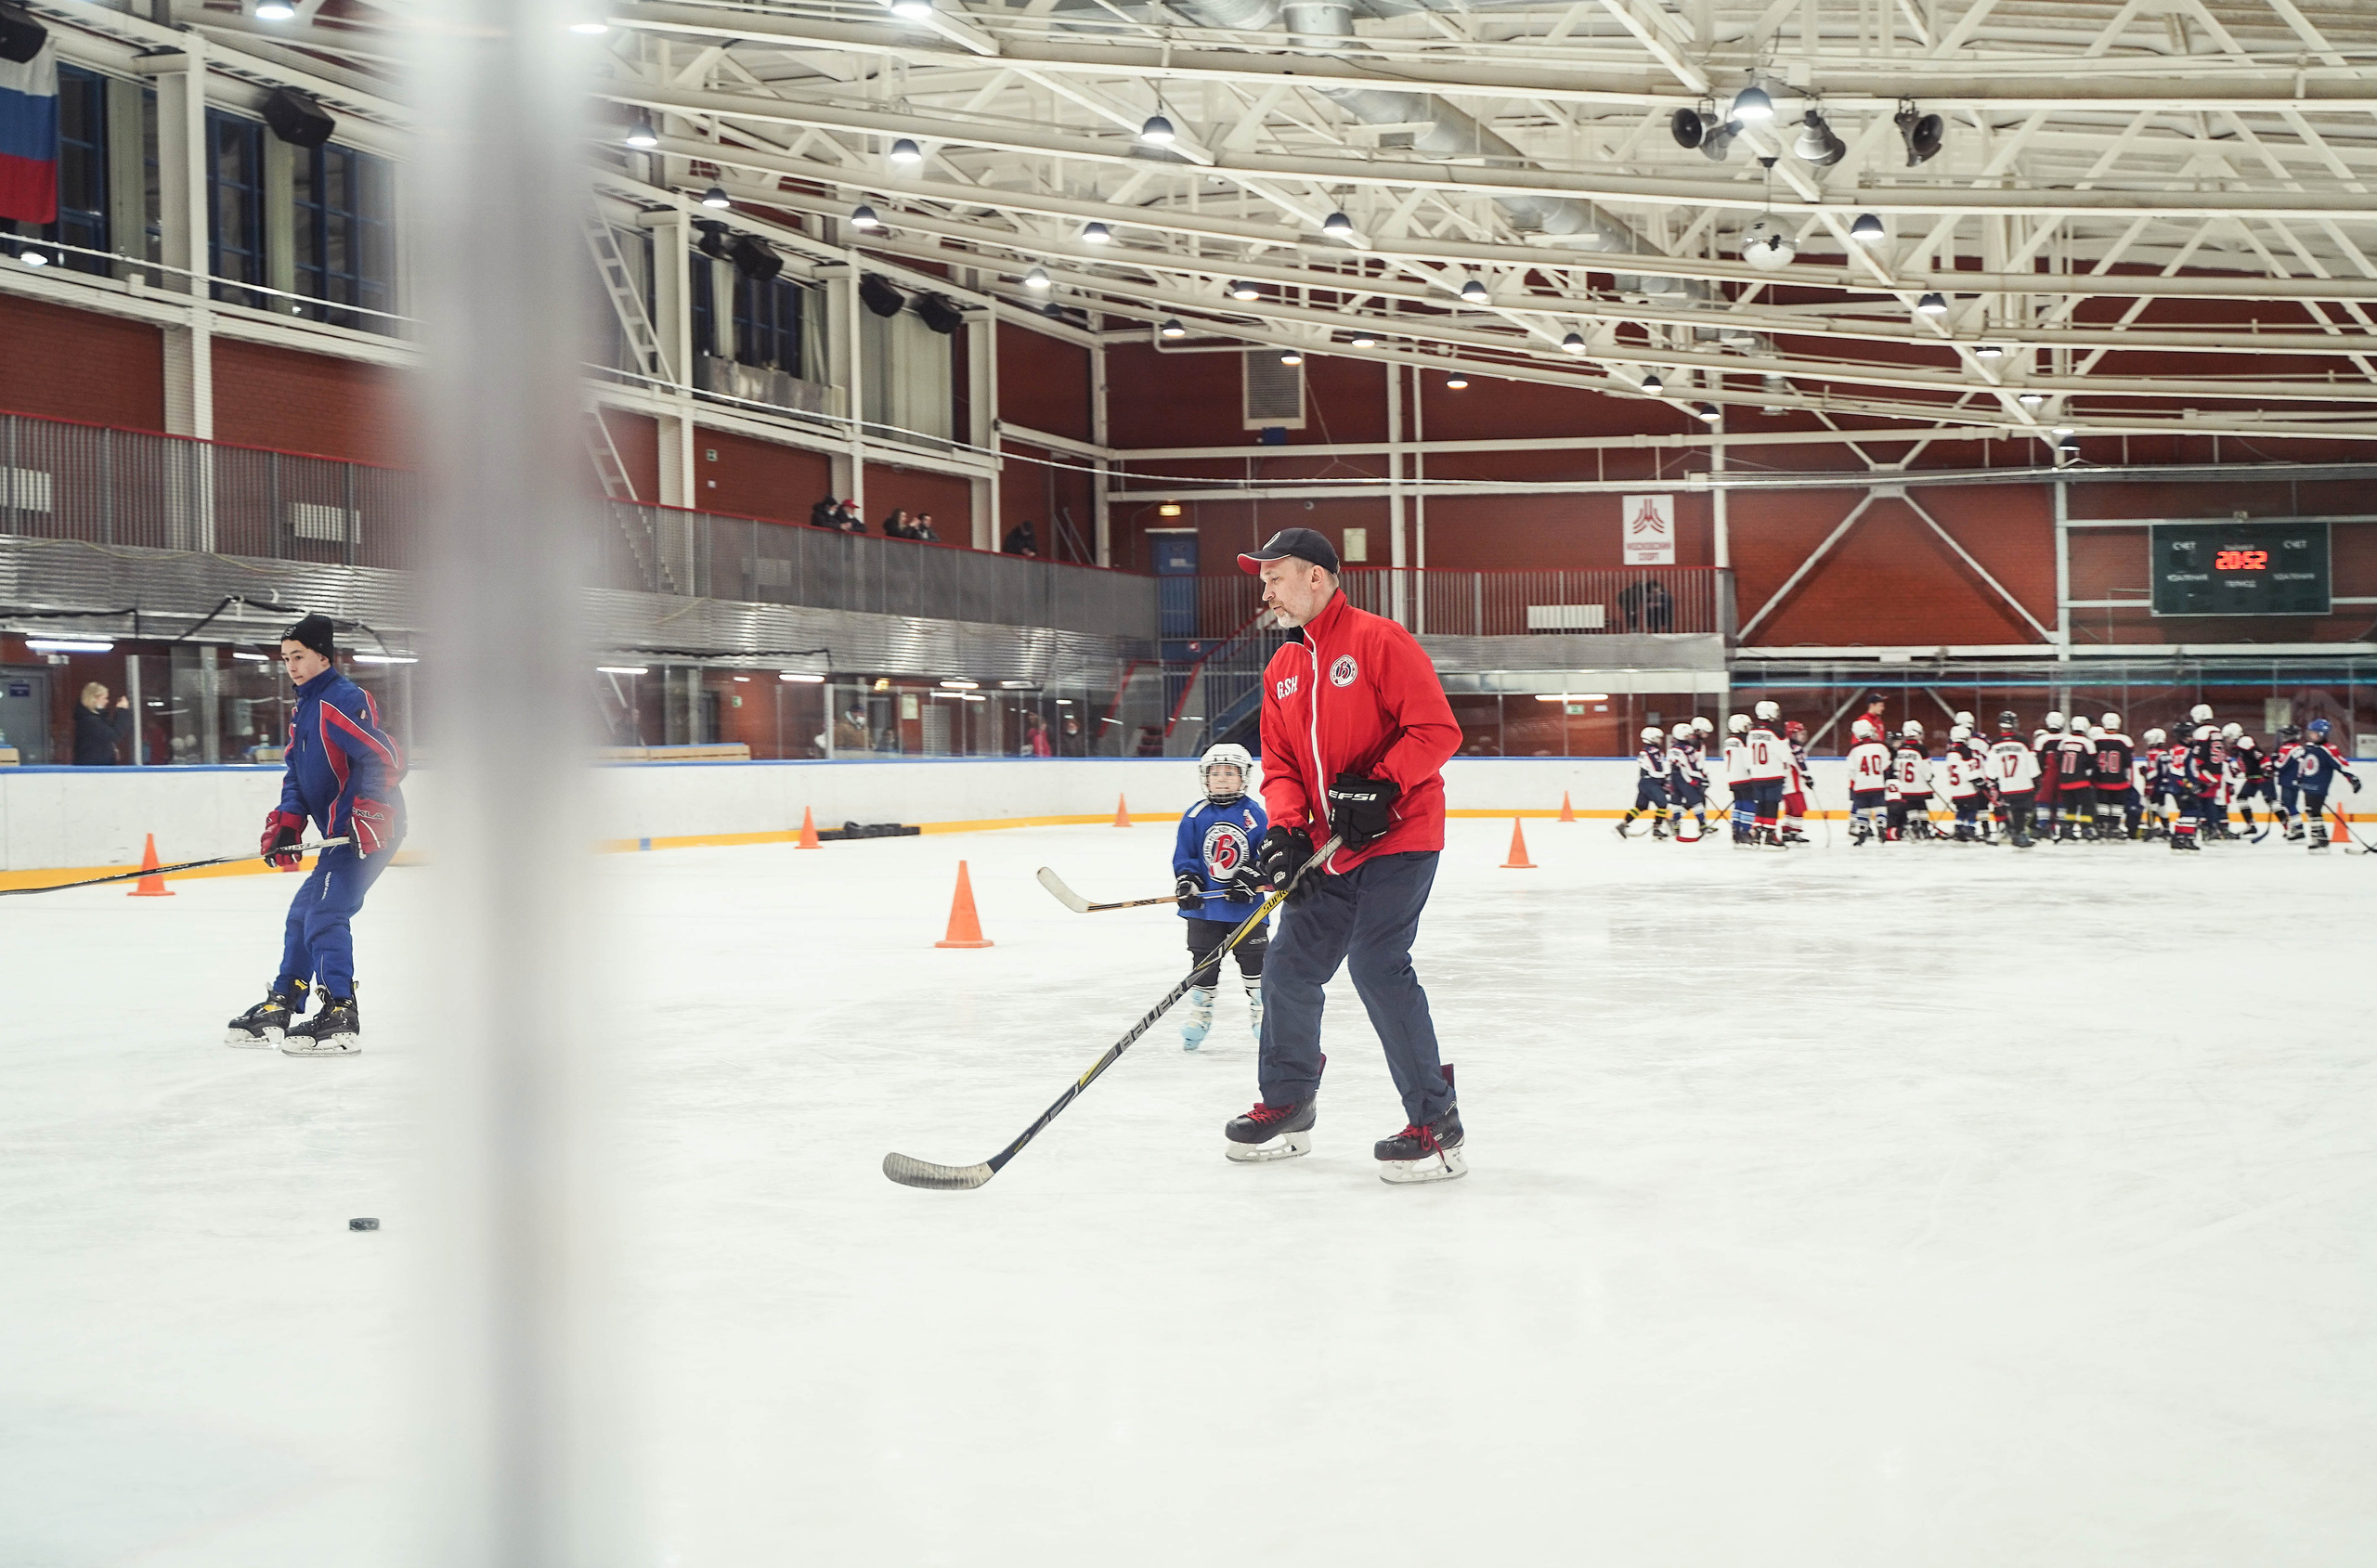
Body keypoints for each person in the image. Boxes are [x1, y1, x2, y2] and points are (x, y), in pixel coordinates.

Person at [1221, 527, 1466, 1183]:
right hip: (1329, 852)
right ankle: (1288, 1101)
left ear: (1318, 579)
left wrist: (1384, 782)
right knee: (1289, 968)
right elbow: (1280, 765)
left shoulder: (1380, 641)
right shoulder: (1282, 670)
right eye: (1263, 578)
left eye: (1276, 577)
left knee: (1378, 964)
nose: (1266, 589)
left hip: (1401, 838)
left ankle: (1436, 1122)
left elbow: (1437, 730)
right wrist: (1285, 830)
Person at [224, 614, 405, 1056]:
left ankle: (341, 1013)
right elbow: (297, 775)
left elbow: (385, 756)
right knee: (303, 914)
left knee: (325, 913)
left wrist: (373, 809)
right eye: (286, 659)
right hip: (338, 835)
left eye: (299, 656)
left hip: (365, 832)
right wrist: (289, 820)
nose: (291, 666)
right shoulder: (304, 709)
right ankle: (283, 1003)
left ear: (323, 655)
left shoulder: (341, 699)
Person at [1174, 743, 1269, 1050]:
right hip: (1204, 909)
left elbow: (1267, 854)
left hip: (1247, 909)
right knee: (1203, 960)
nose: (1223, 779)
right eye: (1216, 773)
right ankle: (1200, 1014)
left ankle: (1262, 1014)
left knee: (1254, 960)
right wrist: (1187, 880)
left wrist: (1254, 874)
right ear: (1205, 777)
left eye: (1231, 773)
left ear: (1244, 777)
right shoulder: (1194, 815)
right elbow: (1185, 855)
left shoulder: (1255, 815)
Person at [2289, 717, 2360, 850]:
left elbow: (2341, 764)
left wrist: (2352, 778)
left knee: (2314, 811)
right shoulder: (2309, 748)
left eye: (2314, 734)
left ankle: (2320, 839)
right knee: (2311, 811)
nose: (2311, 736)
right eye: (2310, 733)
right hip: (2308, 785)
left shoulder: (2329, 749)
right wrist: (2299, 777)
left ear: (2322, 734)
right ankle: (2319, 837)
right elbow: (2304, 764)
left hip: (2319, 786)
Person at [1986, 712, 2039, 848]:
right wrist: (2036, 777)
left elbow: (1990, 768)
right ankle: (2020, 834)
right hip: (2023, 784)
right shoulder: (2023, 741)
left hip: (2006, 785)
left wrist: (1993, 779)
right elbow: (2031, 762)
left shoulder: (1995, 743)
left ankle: (2009, 831)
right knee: (2022, 810)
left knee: (2006, 808)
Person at [1616, 725, 1670, 839]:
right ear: (1651, 738)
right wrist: (1665, 780)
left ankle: (1623, 825)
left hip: (1645, 782)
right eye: (1657, 738)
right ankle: (1657, 829)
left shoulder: (1648, 751)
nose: (1660, 740)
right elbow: (1656, 769)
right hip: (1651, 782)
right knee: (1662, 804)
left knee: (1640, 806)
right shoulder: (1651, 752)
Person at [1845, 717, 1890, 844]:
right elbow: (1885, 764)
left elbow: (1851, 771)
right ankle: (1881, 825)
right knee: (1880, 807)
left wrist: (1859, 780)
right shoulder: (1881, 746)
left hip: (1861, 785)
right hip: (1877, 784)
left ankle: (1862, 832)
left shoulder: (1853, 750)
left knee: (1862, 810)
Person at [72, 681, 132, 765]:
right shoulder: (89, 721)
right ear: (94, 698)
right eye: (104, 698)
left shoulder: (97, 719)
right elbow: (113, 735)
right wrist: (122, 712)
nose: (107, 701)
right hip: (92, 769)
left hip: (99, 767)